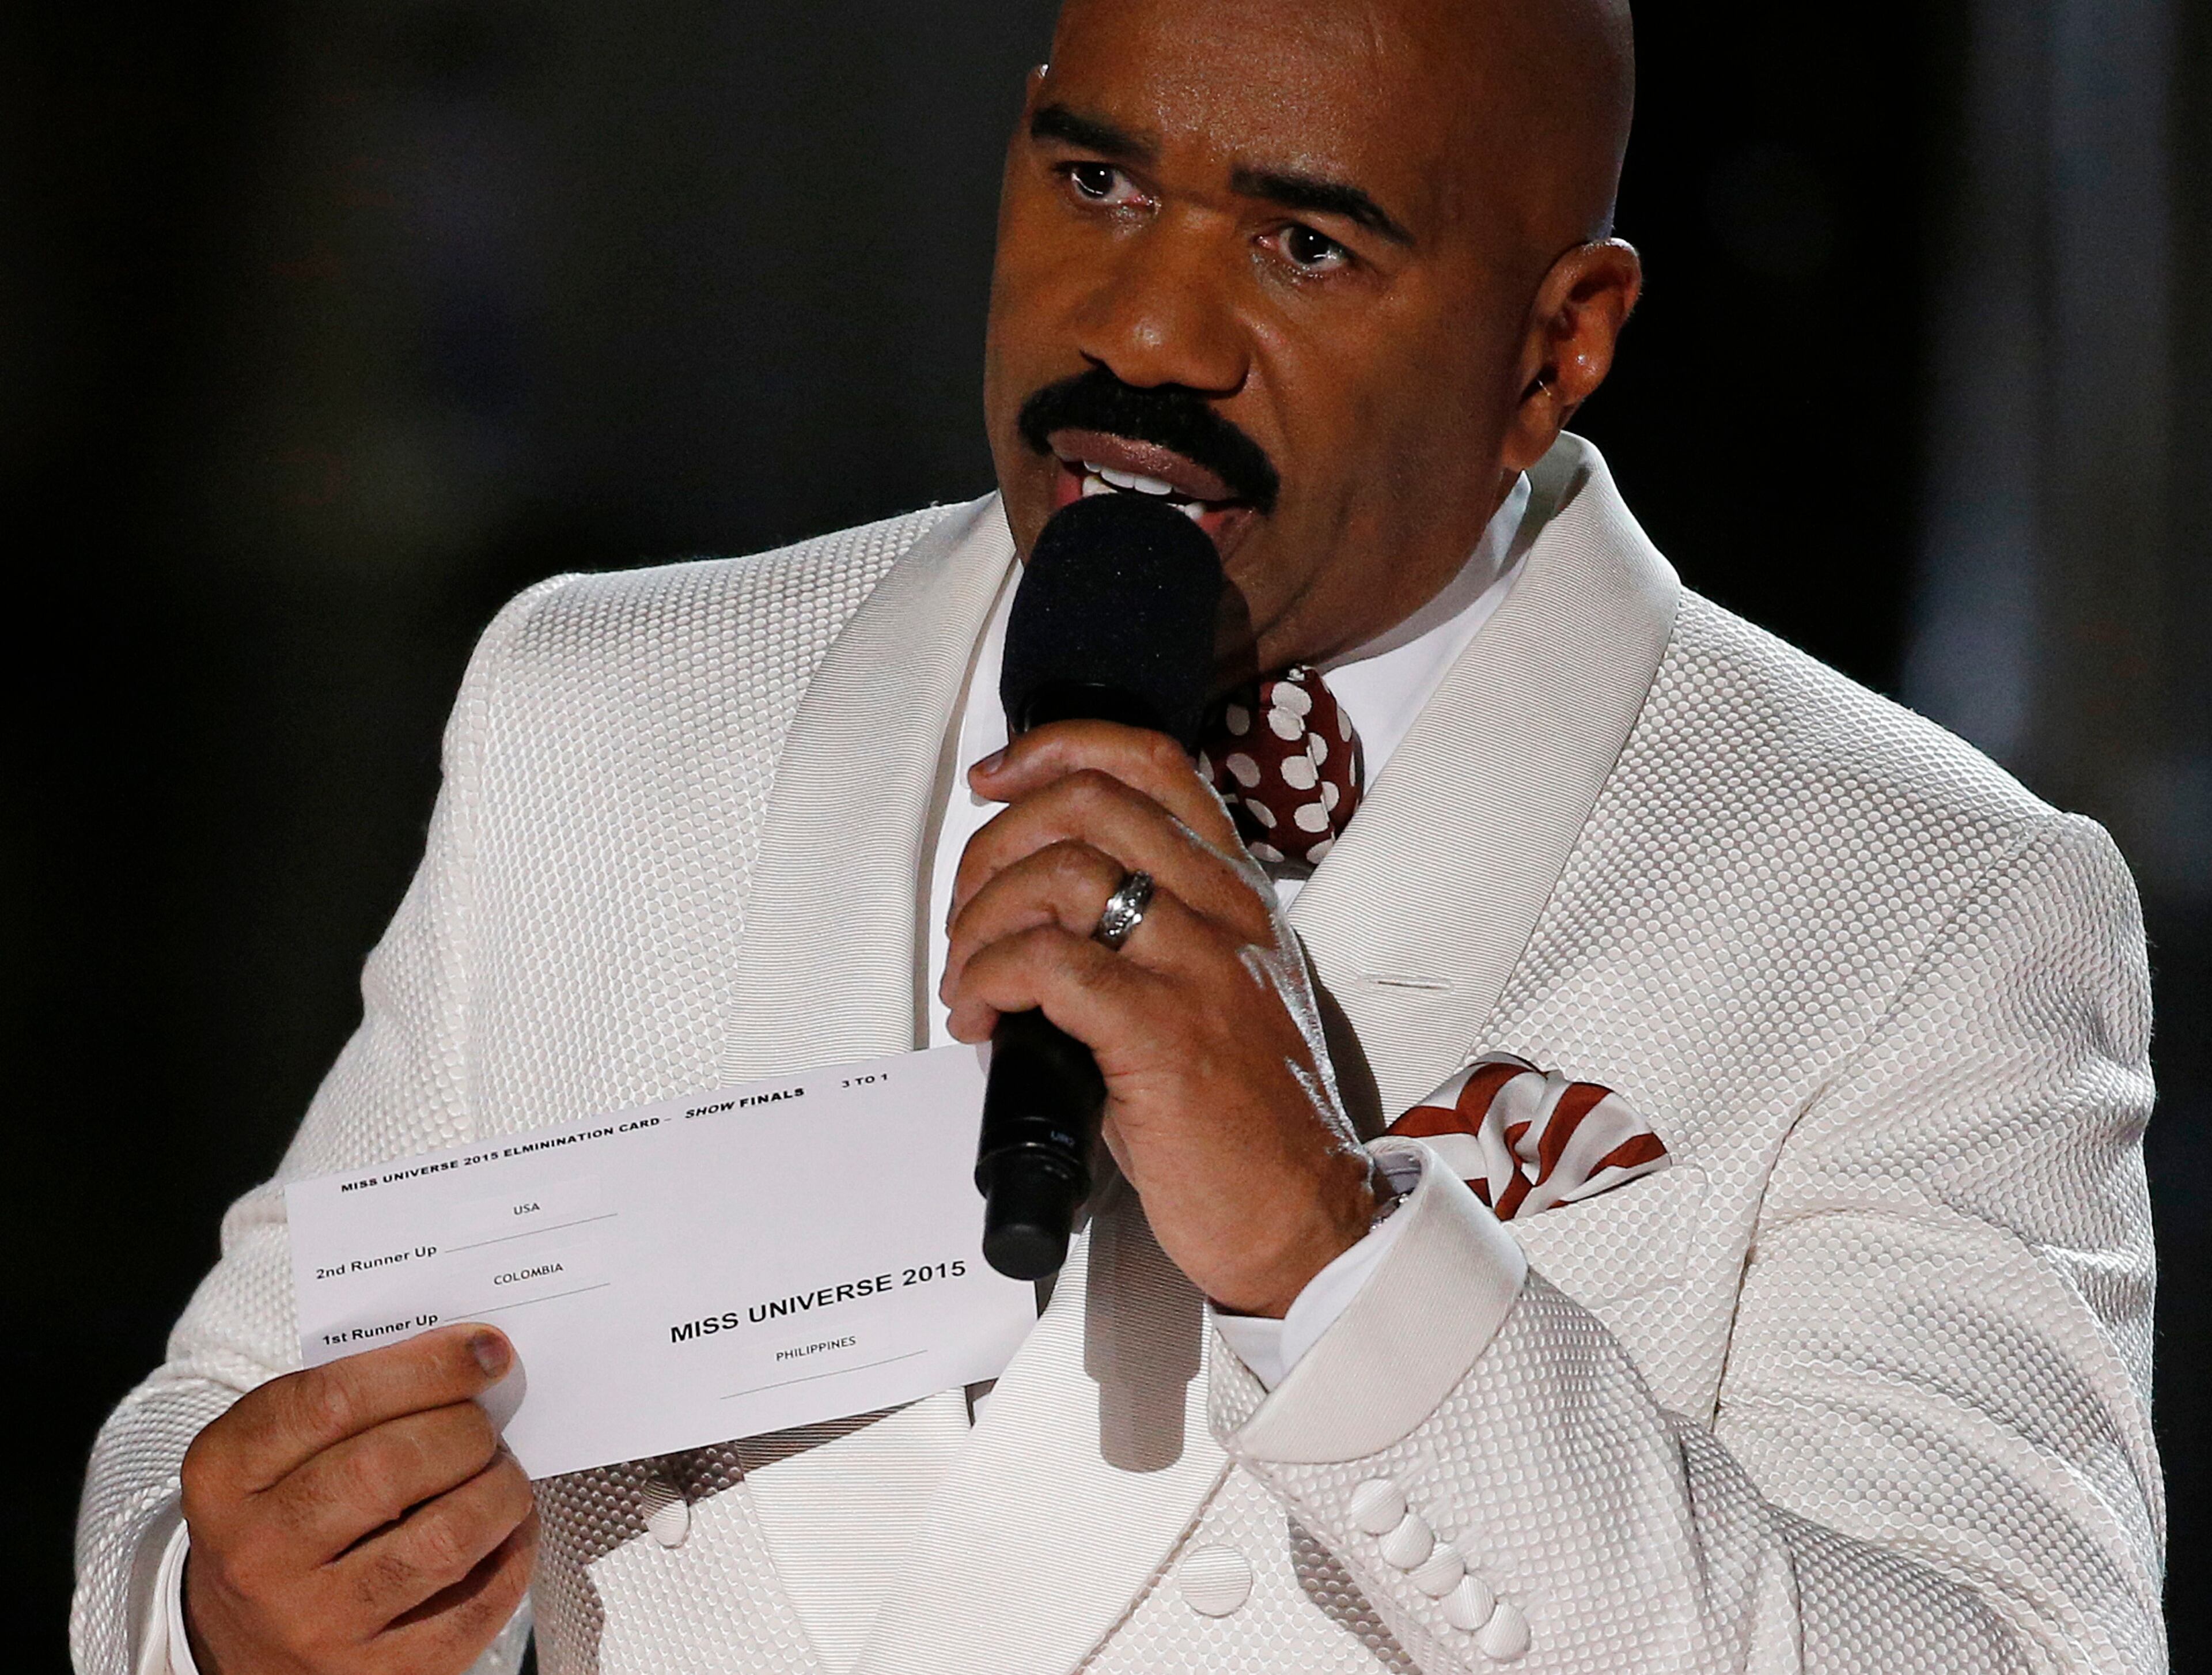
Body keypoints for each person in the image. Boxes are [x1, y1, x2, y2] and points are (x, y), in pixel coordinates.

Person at [75, 0, 2164, 1670]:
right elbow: (213, 1438)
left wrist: (1344, 1258)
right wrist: (228, 1608)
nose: (1148, 334)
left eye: (1306, 239)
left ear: (1559, 347)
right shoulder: (604, 709)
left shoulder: (1922, 910)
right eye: (1095, 179)